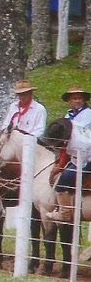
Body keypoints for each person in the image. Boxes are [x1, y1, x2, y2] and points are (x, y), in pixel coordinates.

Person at [44, 86, 91, 223]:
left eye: (79, 98)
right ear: (69, 101)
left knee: (63, 181)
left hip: (85, 155)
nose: (77, 101)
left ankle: (64, 212)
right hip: (77, 153)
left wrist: (62, 164)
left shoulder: (88, 115)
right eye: (74, 98)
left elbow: (80, 152)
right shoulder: (68, 116)